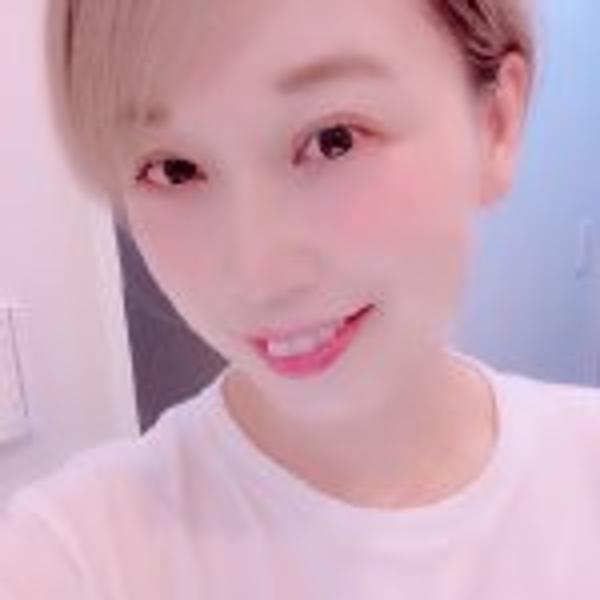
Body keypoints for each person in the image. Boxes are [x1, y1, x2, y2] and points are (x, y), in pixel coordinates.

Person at [1, 0, 599, 597]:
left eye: (333, 140)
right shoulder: (70, 558)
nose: (259, 277)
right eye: (174, 169)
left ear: (495, 123)